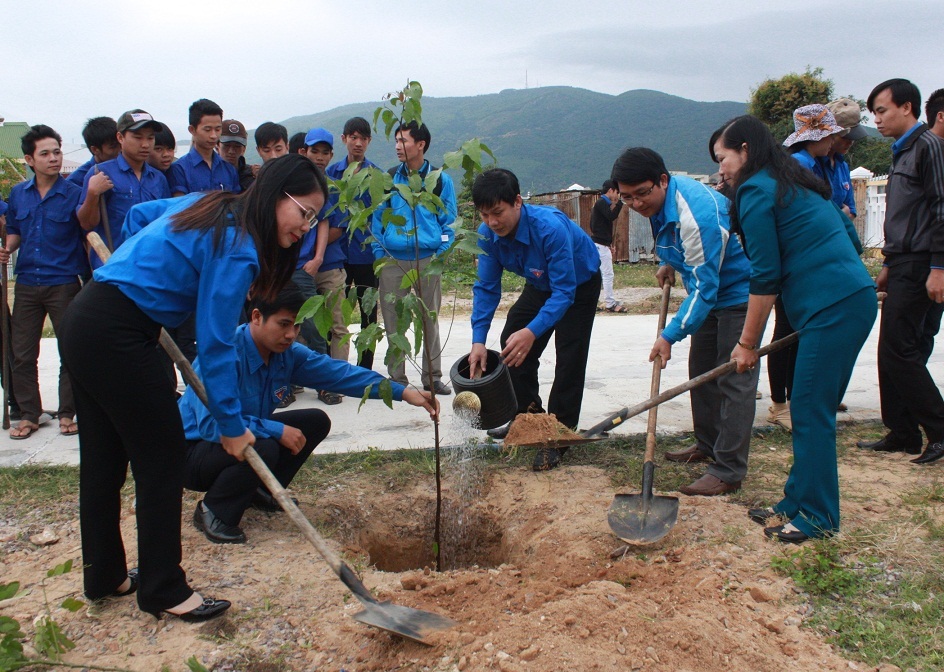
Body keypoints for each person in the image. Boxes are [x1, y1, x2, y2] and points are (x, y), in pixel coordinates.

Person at [58, 154, 326, 621]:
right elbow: (218, 343)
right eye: (304, 212)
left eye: (314, 217)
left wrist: (131, 265)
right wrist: (231, 425)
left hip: (88, 317)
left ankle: (105, 576)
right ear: (275, 195)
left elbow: (142, 216)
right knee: (162, 459)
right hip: (120, 333)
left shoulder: (213, 204)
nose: (306, 226)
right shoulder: (238, 245)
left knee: (103, 460)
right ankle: (163, 589)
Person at [713, 115, 875, 542]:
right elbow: (851, 239)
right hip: (846, 299)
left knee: (808, 412)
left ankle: (819, 516)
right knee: (808, 409)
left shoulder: (753, 189)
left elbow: (764, 275)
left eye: (723, 158)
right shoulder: (792, 180)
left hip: (833, 307)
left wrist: (746, 344)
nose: (721, 170)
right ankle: (794, 501)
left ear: (744, 151)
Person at [179, 284, 437, 543]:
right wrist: (276, 430)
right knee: (263, 444)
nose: (291, 335)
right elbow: (212, 425)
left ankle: (256, 489)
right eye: (283, 324)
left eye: (297, 326)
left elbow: (340, 374)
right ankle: (214, 511)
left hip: (239, 438)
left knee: (313, 421)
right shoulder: (221, 356)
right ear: (256, 317)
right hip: (192, 452)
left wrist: (402, 393)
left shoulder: (286, 354)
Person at [611, 148, 757, 496]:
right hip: (706, 289)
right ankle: (707, 445)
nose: (636, 203)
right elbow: (671, 236)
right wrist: (669, 262)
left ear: (663, 180)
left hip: (737, 295)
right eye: (627, 197)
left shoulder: (700, 213)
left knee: (734, 380)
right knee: (702, 373)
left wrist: (669, 335)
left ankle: (728, 469)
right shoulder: (659, 201)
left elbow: (707, 289)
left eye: (642, 193)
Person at [469, 168, 601, 470]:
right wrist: (478, 340)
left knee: (569, 355)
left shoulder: (549, 229)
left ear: (517, 201)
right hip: (540, 284)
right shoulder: (488, 234)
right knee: (511, 342)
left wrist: (534, 331)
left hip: (577, 285)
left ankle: (558, 434)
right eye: (485, 214)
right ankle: (529, 418)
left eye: (498, 213)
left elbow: (564, 292)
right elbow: (487, 288)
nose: (492, 222)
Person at [855, 79, 944, 466]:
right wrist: (889, 264)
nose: (876, 119)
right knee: (893, 348)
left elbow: (941, 209)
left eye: (882, 110)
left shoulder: (928, 147)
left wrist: (939, 267)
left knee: (900, 351)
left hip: (925, 262)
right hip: (903, 262)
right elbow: (905, 214)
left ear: (907, 107)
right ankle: (903, 432)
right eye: (873, 112)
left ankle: (939, 431)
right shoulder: (903, 151)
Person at [0, 125, 88, 439]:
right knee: (22, 353)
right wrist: (7, 248)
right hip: (25, 283)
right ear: (29, 159)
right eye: (45, 154)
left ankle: (68, 413)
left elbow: (86, 235)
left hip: (64, 283)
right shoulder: (18, 194)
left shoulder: (76, 194)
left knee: (71, 351)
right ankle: (29, 414)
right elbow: (15, 231)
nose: (53, 159)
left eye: (57, 152)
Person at [372, 121, 456, 395]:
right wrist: (380, 254)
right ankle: (397, 379)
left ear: (420, 144)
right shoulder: (389, 179)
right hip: (394, 261)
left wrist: (440, 254)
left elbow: (449, 223)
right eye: (396, 140)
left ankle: (432, 377)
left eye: (404, 140)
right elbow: (377, 220)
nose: (398, 146)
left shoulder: (440, 180)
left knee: (428, 318)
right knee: (393, 320)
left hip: (428, 260)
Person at [76, 109, 171, 267]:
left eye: (150, 138)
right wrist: (92, 193)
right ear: (120, 137)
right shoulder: (100, 173)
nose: (145, 144)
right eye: (137, 137)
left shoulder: (158, 178)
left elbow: (165, 223)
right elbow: (87, 224)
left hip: (150, 265)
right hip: (113, 266)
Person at [326, 117, 381, 371]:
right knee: (334, 314)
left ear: (369, 142)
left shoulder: (376, 176)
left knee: (368, 314)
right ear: (344, 139)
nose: (358, 143)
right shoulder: (331, 174)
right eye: (353, 137)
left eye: (363, 138)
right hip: (337, 255)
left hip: (366, 254)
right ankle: (334, 367)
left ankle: (364, 369)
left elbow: (380, 215)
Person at [169, 99, 241, 196]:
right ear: (192, 130)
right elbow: (179, 205)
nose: (214, 135)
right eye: (207, 130)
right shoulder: (179, 169)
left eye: (218, 129)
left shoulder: (229, 169)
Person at [823, 98, 869, 220]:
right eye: (845, 137)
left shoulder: (842, 166)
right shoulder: (810, 164)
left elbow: (851, 210)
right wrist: (841, 216)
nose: (850, 142)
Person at [589, 179, 625, 312]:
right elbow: (611, 217)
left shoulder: (602, 203)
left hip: (601, 244)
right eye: (616, 192)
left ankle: (594, 302)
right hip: (600, 245)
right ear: (610, 190)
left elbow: (603, 225)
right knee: (607, 274)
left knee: (597, 274)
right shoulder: (601, 202)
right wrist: (620, 204)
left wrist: (609, 244)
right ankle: (610, 303)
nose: (616, 195)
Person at [67, 117, 120, 188]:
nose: (120, 150)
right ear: (95, 150)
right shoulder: (75, 182)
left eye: (121, 143)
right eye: (113, 146)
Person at [219, 119, 257, 191]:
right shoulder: (208, 173)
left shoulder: (252, 176)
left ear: (244, 149)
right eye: (226, 145)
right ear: (217, 146)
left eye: (237, 146)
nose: (231, 151)